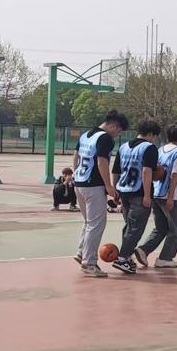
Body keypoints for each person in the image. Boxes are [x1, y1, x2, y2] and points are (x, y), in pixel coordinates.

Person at [72, 110, 129, 277]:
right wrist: (109, 186)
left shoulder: (85, 135)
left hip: (80, 183)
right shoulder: (105, 138)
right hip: (94, 185)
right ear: (114, 126)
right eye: (119, 131)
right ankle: (89, 262)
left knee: (89, 222)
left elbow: (75, 156)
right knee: (96, 224)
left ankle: (82, 252)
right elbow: (101, 162)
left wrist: (76, 175)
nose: (117, 134)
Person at [135, 124, 177, 268]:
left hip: (156, 192)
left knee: (161, 227)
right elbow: (174, 176)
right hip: (169, 194)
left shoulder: (160, 150)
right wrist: (171, 198)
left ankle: (143, 249)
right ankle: (165, 258)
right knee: (176, 229)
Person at [110, 120, 160, 274]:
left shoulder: (124, 146)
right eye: (154, 136)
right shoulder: (149, 148)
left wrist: (114, 190)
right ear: (150, 134)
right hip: (139, 192)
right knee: (135, 228)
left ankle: (126, 257)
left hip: (123, 190)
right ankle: (122, 258)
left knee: (129, 226)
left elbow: (115, 170)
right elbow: (146, 171)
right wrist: (147, 195)